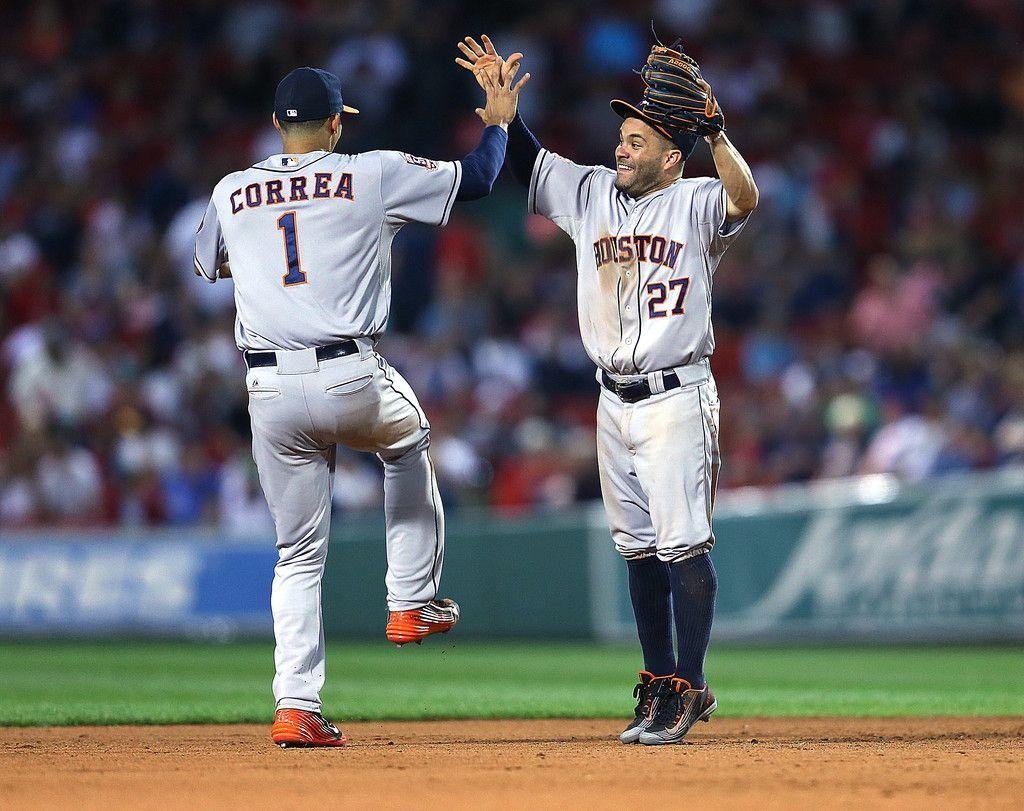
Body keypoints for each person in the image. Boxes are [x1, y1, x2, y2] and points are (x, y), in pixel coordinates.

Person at [194, 62, 528, 748]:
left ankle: (295, 704)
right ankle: (409, 600)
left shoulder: (231, 190)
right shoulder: (368, 171)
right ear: (338, 123)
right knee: (408, 438)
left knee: (297, 553)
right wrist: (496, 121)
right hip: (347, 371)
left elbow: (211, 263)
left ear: (277, 126)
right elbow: (480, 177)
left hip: (268, 389)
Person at [457, 36, 757, 745]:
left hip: (677, 393)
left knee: (684, 544)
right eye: (620, 137)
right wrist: (505, 116)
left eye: (636, 139)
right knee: (639, 548)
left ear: (669, 154)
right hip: (611, 399)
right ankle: (658, 682)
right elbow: (530, 164)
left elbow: (745, 196)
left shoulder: (694, 200)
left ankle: (691, 680)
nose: (621, 148)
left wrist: (715, 130)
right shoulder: (591, 192)